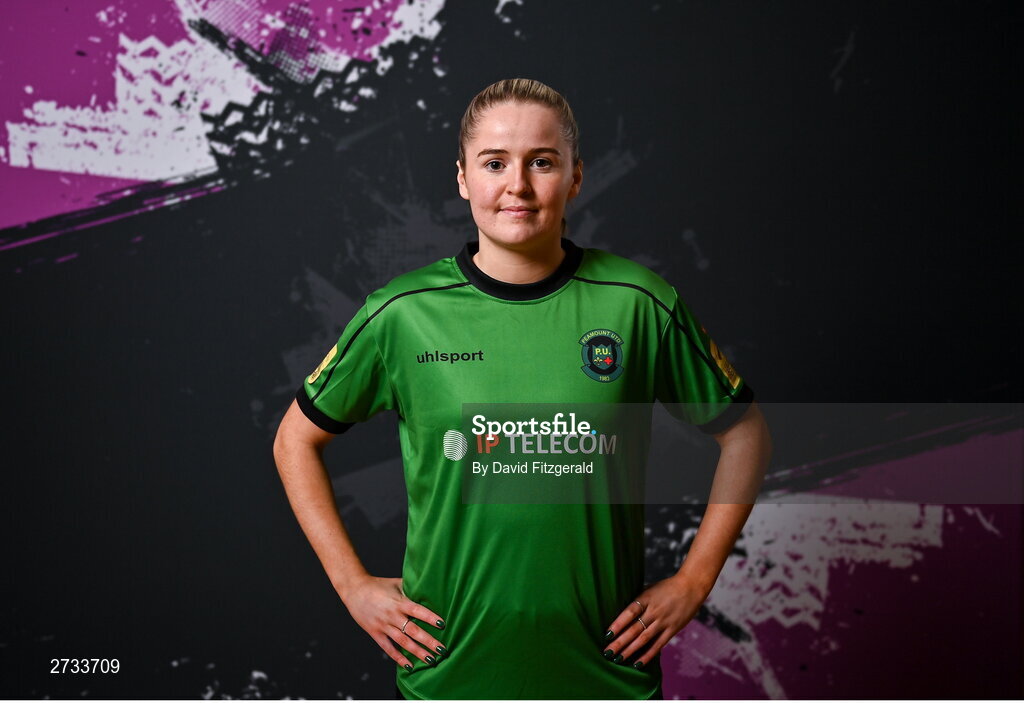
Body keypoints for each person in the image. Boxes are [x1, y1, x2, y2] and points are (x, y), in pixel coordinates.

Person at [273, 78, 771, 700]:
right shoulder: (401, 313)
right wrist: (353, 585)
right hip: (451, 674)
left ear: (576, 176)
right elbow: (294, 440)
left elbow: (744, 433)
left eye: (542, 161)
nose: (518, 185)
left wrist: (694, 581)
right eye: (494, 163)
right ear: (462, 178)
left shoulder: (639, 303)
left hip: (605, 673)